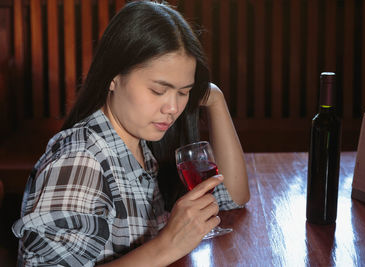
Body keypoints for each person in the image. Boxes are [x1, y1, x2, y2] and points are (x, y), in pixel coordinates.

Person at [12, 1, 249, 266]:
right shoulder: (81, 160)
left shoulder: (140, 145)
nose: (173, 108)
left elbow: (232, 198)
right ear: (113, 77)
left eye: (184, 92)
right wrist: (166, 245)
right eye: (158, 91)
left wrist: (215, 98)